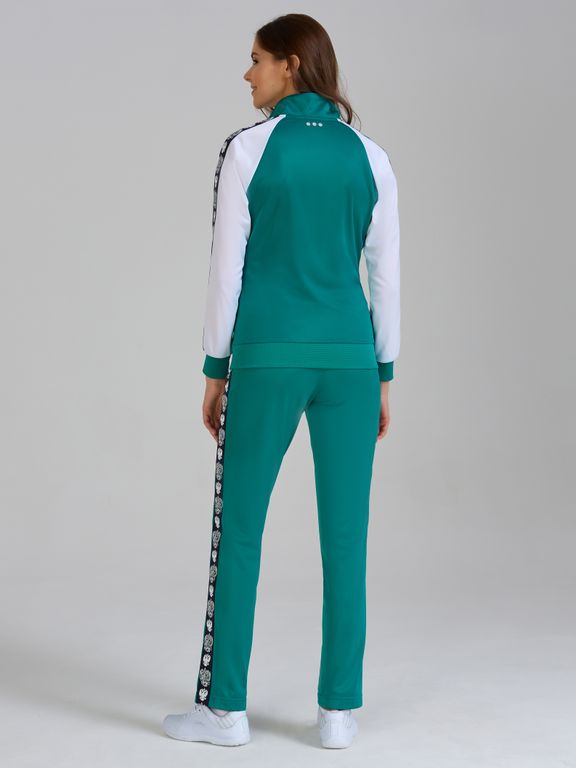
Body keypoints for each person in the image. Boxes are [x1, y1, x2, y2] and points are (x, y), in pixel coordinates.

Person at [163, 12, 400, 749]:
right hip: (351, 362)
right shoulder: (372, 156)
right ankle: (338, 715)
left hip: (266, 358)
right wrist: (383, 373)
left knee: (239, 531)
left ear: (292, 64)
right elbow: (386, 277)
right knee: (347, 538)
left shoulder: (247, 149)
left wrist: (214, 368)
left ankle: (224, 711)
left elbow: (225, 270)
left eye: (257, 59)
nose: (248, 73)